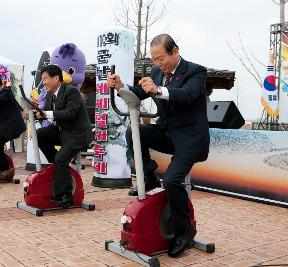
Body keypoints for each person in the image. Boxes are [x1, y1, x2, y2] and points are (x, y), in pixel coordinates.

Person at [107, 34, 209, 258]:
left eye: (160, 58)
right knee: (134, 132)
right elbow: (138, 93)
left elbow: (187, 95)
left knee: (172, 181)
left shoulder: (196, 71)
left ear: (175, 51)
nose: (157, 64)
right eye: (154, 59)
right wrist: (121, 86)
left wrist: (158, 90)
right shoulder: (156, 74)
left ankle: (185, 232)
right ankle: (150, 176)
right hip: (167, 132)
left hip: (190, 138)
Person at [35, 65, 92, 207]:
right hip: (62, 131)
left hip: (77, 134)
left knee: (61, 158)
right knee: (40, 135)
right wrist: (36, 113)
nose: (44, 83)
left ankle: (65, 195)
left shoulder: (72, 91)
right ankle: (58, 165)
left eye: (45, 79)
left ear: (56, 78)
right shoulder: (49, 94)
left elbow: (69, 113)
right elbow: (48, 115)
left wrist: (46, 114)